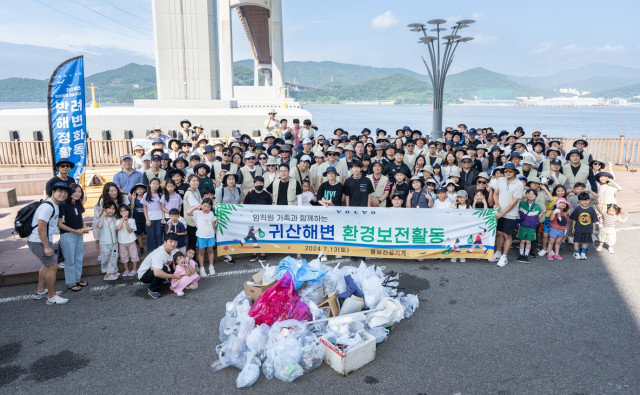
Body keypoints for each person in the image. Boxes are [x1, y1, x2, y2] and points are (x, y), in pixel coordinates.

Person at [31, 182, 71, 305]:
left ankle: (40, 291)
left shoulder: (55, 205)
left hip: (39, 240)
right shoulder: (48, 207)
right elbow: (41, 228)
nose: (63, 194)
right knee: (53, 267)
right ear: (53, 192)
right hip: (39, 241)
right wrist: (47, 246)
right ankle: (51, 297)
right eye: (60, 191)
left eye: (65, 192)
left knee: (46, 265)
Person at [492, 163, 525, 267]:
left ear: (514, 172)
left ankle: (504, 256)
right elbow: (496, 193)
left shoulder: (519, 184)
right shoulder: (500, 180)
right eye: (506, 171)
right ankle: (498, 252)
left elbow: (514, 202)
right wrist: (496, 203)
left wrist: (503, 213)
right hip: (499, 212)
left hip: (510, 214)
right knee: (499, 233)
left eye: (510, 171)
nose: (508, 173)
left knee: (507, 235)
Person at [57, 183, 87, 292]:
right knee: (70, 260)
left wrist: (83, 227)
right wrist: (75, 231)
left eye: (80, 192)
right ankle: (71, 282)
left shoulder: (78, 203)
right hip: (68, 235)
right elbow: (60, 224)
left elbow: (80, 217)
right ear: (70, 192)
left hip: (79, 234)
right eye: (75, 191)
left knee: (79, 257)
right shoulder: (63, 205)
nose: (78, 194)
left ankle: (77, 279)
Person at [138, 233, 181, 299]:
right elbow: (157, 273)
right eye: (171, 241)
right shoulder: (158, 253)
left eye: (175, 242)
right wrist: (174, 276)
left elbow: (180, 255)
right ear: (165, 242)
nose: (173, 244)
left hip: (155, 270)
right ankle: (152, 290)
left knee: (177, 259)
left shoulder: (173, 250)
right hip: (144, 275)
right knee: (163, 269)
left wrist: (175, 264)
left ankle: (170, 279)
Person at [187, 198, 218, 274]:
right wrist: (195, 207)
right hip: (201, 236)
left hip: (210, 236)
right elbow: (188, 212)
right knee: (201, 252)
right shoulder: (197, 213)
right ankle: (202, 268)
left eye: (208, 207)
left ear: (211, 207)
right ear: (201, 205)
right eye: (204, 206)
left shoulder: (211, 213)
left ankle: (211, 266)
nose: (206, 208)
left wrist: (214, 230)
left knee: (210, 251)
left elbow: (213, 223)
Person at [517, 189, 544, 263]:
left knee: (528, 242)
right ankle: (521, 255)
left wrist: (543, 212)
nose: (531, 195)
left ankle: (526, 255)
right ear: (526, 195)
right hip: (523, 226)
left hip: (532, 227)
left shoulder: (537, 206)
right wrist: (522, 197)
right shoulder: (521, 203)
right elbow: (516, 203)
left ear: (536, 197)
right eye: (529, 193)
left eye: (533, 194)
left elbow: (538, 217)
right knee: (522, 241)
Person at [569, 192, 598, 260]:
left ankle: (583, 252)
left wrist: (594, 229)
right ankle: (576, 252)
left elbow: (594, 221)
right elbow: (574, 220)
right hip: (578, 228)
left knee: (585, 241)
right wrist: (573, 227)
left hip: (588, 229)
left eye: (586, 200)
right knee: (576, 241)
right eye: (582, 200)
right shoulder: (577, 209)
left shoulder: (591, 209)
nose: (584, 202)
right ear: (579, 201)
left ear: (589, 200)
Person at [97, 201, 119, 281]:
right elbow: (99, 226)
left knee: (113, 257)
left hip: (114, 242)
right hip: (105, 242)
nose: (111, 210)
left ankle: (112, 271)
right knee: (106, 258)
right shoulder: (101, 218)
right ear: (105, 209)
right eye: (109, 208)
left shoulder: (113, 218)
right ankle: (107, 274)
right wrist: (102, 215)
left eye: (113, 209)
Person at [142, 178, 165, 253]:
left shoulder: (161, 195)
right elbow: (144, 208)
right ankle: (151, 251)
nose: (155, 185)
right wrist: (147, 219)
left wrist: (163, 217)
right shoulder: (146, 195)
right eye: (153, 183)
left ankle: (159, 250)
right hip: (150, 218)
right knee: (150, 235)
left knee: (159, 235)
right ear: (150, 184)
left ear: (159, 185)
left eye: (157, 184)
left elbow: (163, 208)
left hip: (159, 218)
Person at [116, 204, 139, 277]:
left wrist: (126, 223)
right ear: (119, 213)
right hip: (122, 241)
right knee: (124, 256)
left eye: (125, 210)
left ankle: (135, 269)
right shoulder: (118, 220)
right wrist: (123, 220)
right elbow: (118, 228)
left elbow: (130, 230)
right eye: (122, 211)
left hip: (131, 241)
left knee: (134, 255)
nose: (124, 213)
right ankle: (126, 269)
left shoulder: (132, 220)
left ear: (128, 211)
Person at [129, 183, 147, 256]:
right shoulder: (134, 199)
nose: (140, 190)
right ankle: (141, 246)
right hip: (137, 219)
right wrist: (133, 199)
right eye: (138, 189)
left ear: (144, 190)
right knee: (139, 234)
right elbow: (132, 208)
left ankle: (149, 245)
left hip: (145, 219)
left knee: (146, 232)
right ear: (135, 191)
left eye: (141, 189)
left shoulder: (146, 198)